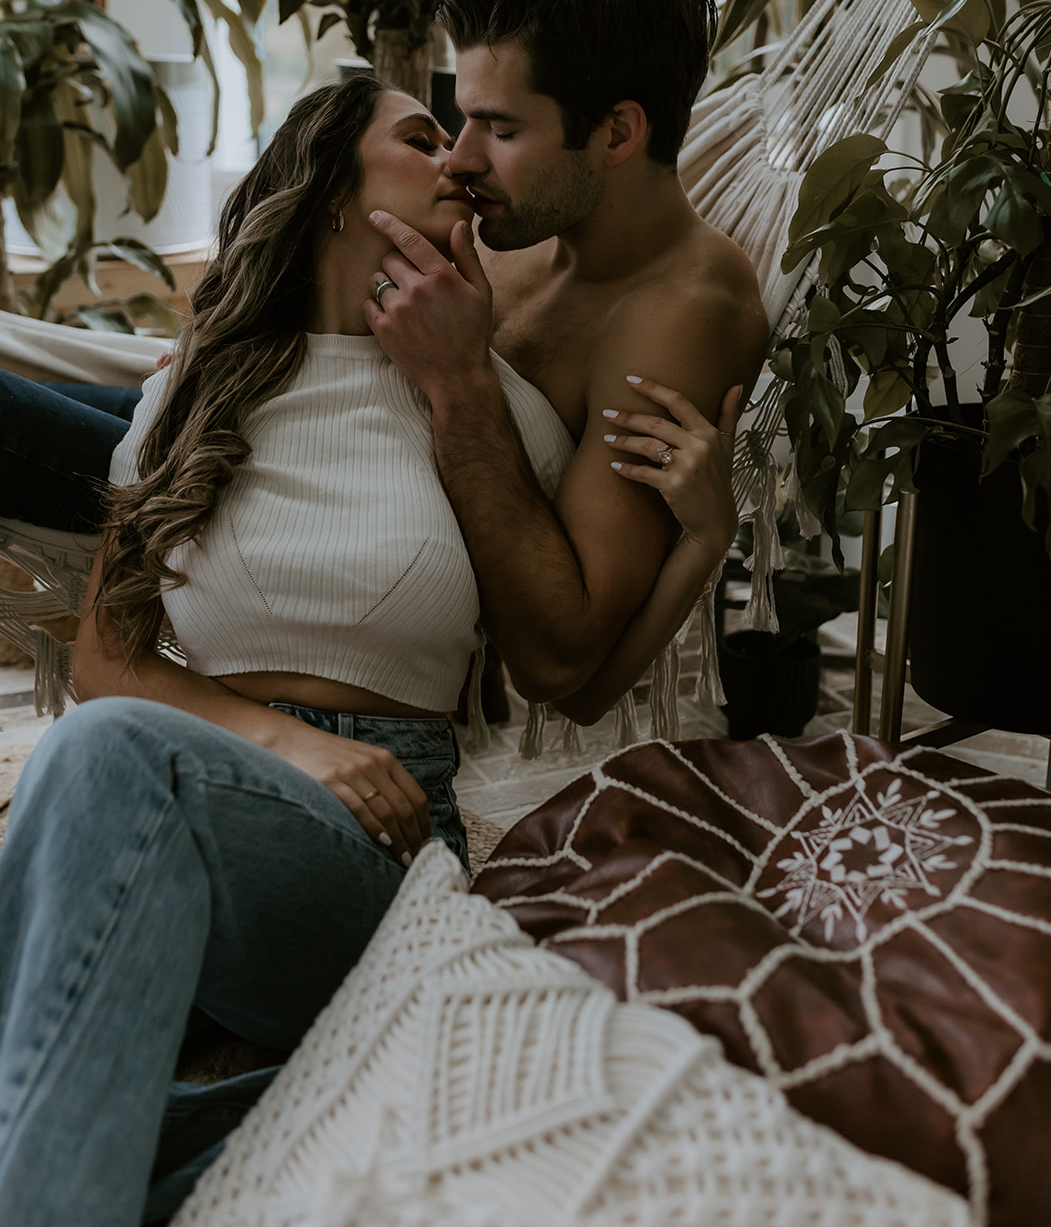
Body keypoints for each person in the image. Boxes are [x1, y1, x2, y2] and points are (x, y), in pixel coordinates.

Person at [0, 69, 740, 1227]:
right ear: (337, 195)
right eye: (422, 135)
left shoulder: (483, 409)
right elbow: (111, 660)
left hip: (377, 857)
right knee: (97, 763)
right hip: (196, 792)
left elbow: (574, 676)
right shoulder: (192, 392)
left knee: (92, 757)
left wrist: (702, 543)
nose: (457, 161)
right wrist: (286, 742)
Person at [365, 0, 767, 726]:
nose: (459, 160)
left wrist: (460, 378)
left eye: (502, 129)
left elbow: (559, 666)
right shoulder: (516, 223)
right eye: (463, 119)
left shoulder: (676, 318)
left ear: (617, 133)